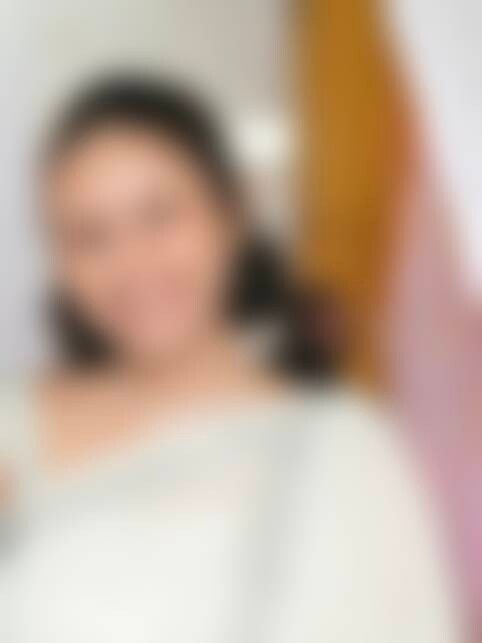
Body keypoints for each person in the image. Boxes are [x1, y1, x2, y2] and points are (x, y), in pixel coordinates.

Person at [0, 76, 461, 642]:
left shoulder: (338, 452)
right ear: (61, 266)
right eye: (89, 237)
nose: (131, 261)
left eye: (159, 215)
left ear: (231, 214)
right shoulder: (14, 421)